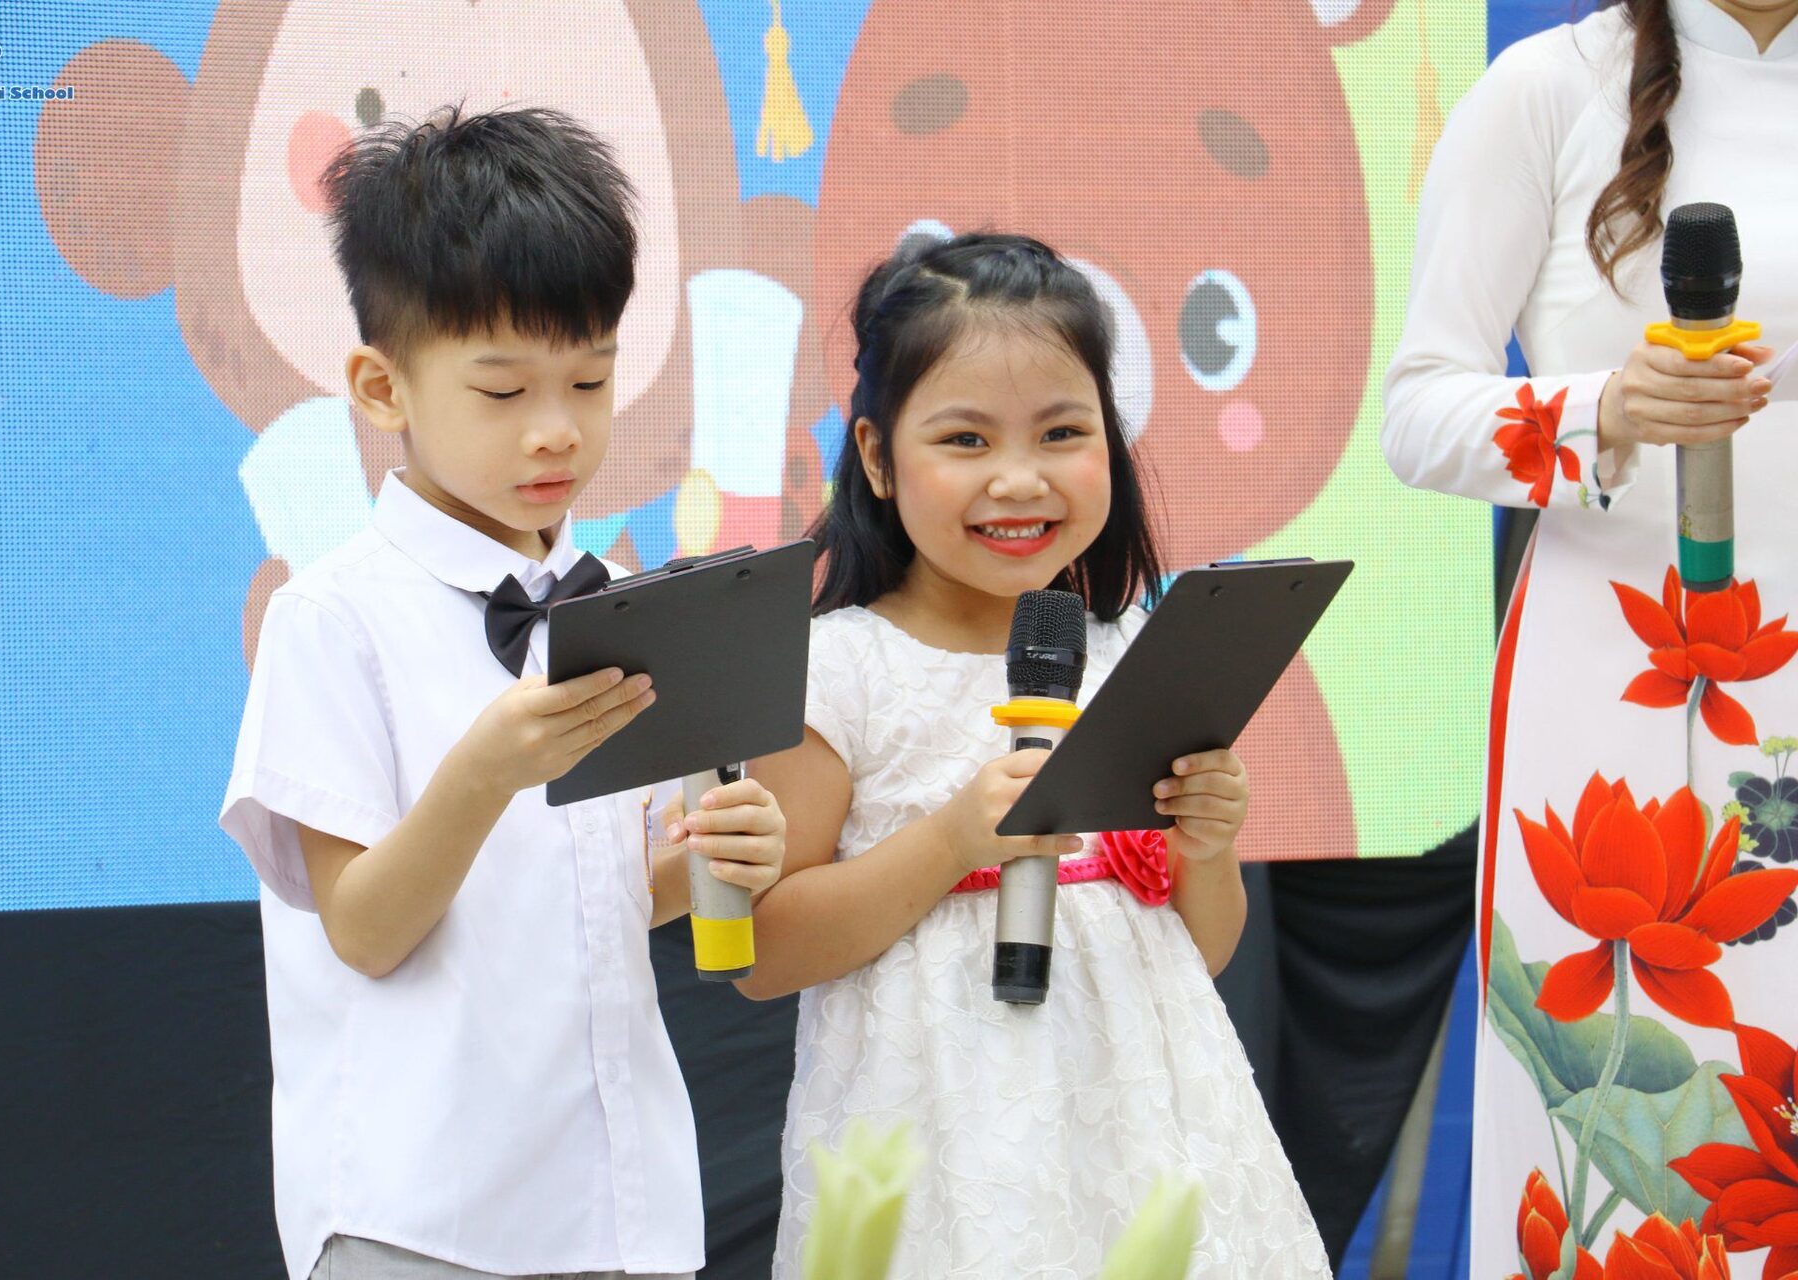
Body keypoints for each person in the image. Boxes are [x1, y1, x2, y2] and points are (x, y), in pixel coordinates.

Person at [219, 105, 788, 1280]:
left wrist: (711, 855)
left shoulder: (619, 598)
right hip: (419, 1213)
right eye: (501, 391)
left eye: (589, 380)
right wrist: (484, 772)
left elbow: (605, 893)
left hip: (618, 1201)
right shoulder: (332, 620)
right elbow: (365, 927)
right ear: (381, 387)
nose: (556, 432)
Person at [742, 232, 1331, 1278]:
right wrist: (953, 839)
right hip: (941, 1148)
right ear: (877, 456)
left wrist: (1205, 847)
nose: (1019, 480)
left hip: (1147, 1137)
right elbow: (762, 952)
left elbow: (1197, 951)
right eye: (965, 440)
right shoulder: (838, 669)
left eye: (1062, 432)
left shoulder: (1134, 653)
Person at [1383, 0, 1798, 1274]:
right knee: (1637, 1124)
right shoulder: (1548, 88)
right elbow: (1419, 412)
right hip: (1622, 687)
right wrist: (1605, 409)